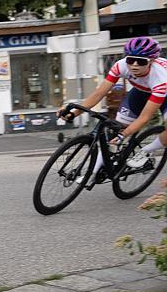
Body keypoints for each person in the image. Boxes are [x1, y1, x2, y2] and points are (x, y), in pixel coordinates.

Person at [58, 36, 166, 184]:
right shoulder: (120, 66)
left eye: (141, 61)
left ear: (151, 61)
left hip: (164, 93)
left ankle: (145, 151)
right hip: (141, 91)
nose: (134, 65)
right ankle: (92, 173)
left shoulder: (160, 77)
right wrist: (74, 113)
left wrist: (125, 134)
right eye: (130, 60)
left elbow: (144, 117)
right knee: (116, 130)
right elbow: (98, 94)